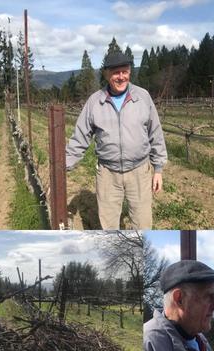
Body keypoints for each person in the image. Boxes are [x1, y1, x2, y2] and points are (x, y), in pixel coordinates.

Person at [65, 51, 167, 230]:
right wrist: (62, 166)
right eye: (116, 73)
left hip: (140, 171)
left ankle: (136, 255)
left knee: (142, 223)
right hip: (107, 174)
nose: (121, 77)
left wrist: (158, 169)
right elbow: (80, 137)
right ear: (106, 74)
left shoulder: (143, 97)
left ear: (130, 72)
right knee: (109, 227)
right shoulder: (95, 102)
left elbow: (155, 134)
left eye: (125, 71)